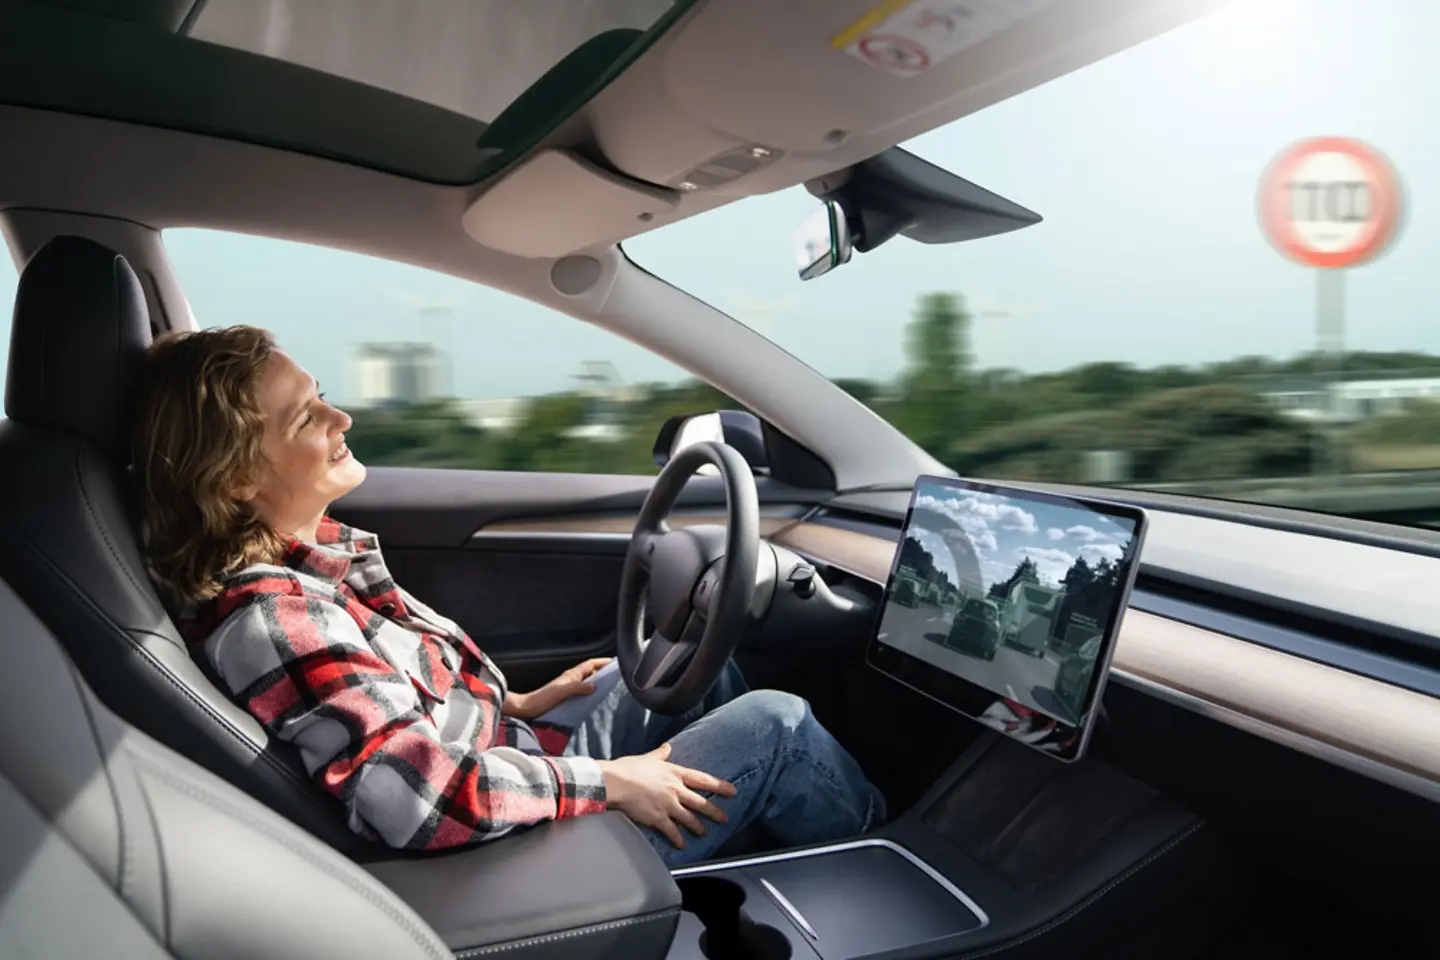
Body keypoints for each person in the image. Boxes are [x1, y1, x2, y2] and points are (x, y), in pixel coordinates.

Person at [131, 325, 885, 866]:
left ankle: (748, 845)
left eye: (322, 397)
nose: (341, 418)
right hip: (501, 850)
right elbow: (414, 801)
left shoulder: (309, 563)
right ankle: (880, 854)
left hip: (506, 755)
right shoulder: (278, 619)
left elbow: (401, 708)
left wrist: (516, 702)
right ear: (234, 478)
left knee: (694, 666)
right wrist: (614, 782)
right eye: (307, 416)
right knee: (776, 727)